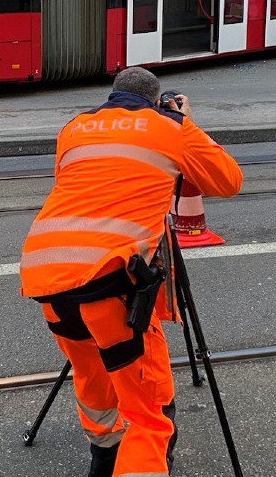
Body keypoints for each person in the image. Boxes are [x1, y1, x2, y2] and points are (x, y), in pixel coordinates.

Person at [19, 67, 243, 477]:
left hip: (46, 275)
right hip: (110, 282)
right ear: (156, 100)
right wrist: (185, 122)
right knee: (148, 412)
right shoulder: (170, 127)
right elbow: (228, 181)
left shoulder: (75, 126)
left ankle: (104, 457)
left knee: (93, 379)